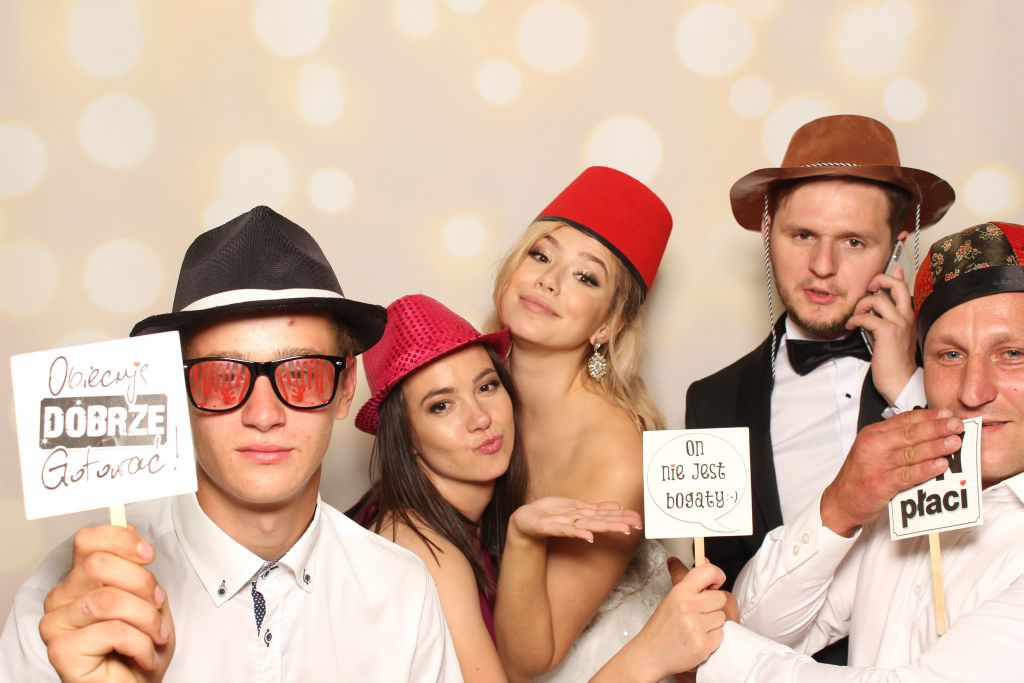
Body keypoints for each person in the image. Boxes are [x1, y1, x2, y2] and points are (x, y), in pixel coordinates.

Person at [0, 206, 461, 681]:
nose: (263, 415)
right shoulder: (75, 606)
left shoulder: (403, 593)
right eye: (222, 376)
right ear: (177, 390)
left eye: (301, 373)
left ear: (345, 388)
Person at [679, 220, 1024, 681]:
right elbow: (763, 627)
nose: (973, 391)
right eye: (950, 355)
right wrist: (839, 505)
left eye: (1013, 354)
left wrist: (703, 646)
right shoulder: (911, 499)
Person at [684, 115, 956, 661]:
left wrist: (908, 388)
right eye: (802, 235)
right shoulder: (713, 402)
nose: (822, 267)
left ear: (897, 245)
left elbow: (988, 524)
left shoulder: (959, 362)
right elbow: (727, 604)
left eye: (853, 241)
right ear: (768, 234)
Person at [349, 293, 647, 682]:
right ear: (405, 437)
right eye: (441, 406)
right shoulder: (425, 550)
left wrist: (523, 539)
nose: (480, 418)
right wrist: (650, 656)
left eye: (487, 386)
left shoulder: (468, 522)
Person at [489, 166, 677, 680]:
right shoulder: (470, 388)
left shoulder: (615, 454)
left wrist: (524, 537)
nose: (548, 280)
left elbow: (530, 659)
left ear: (609, 324)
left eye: (585, 277)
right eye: (540, 255)